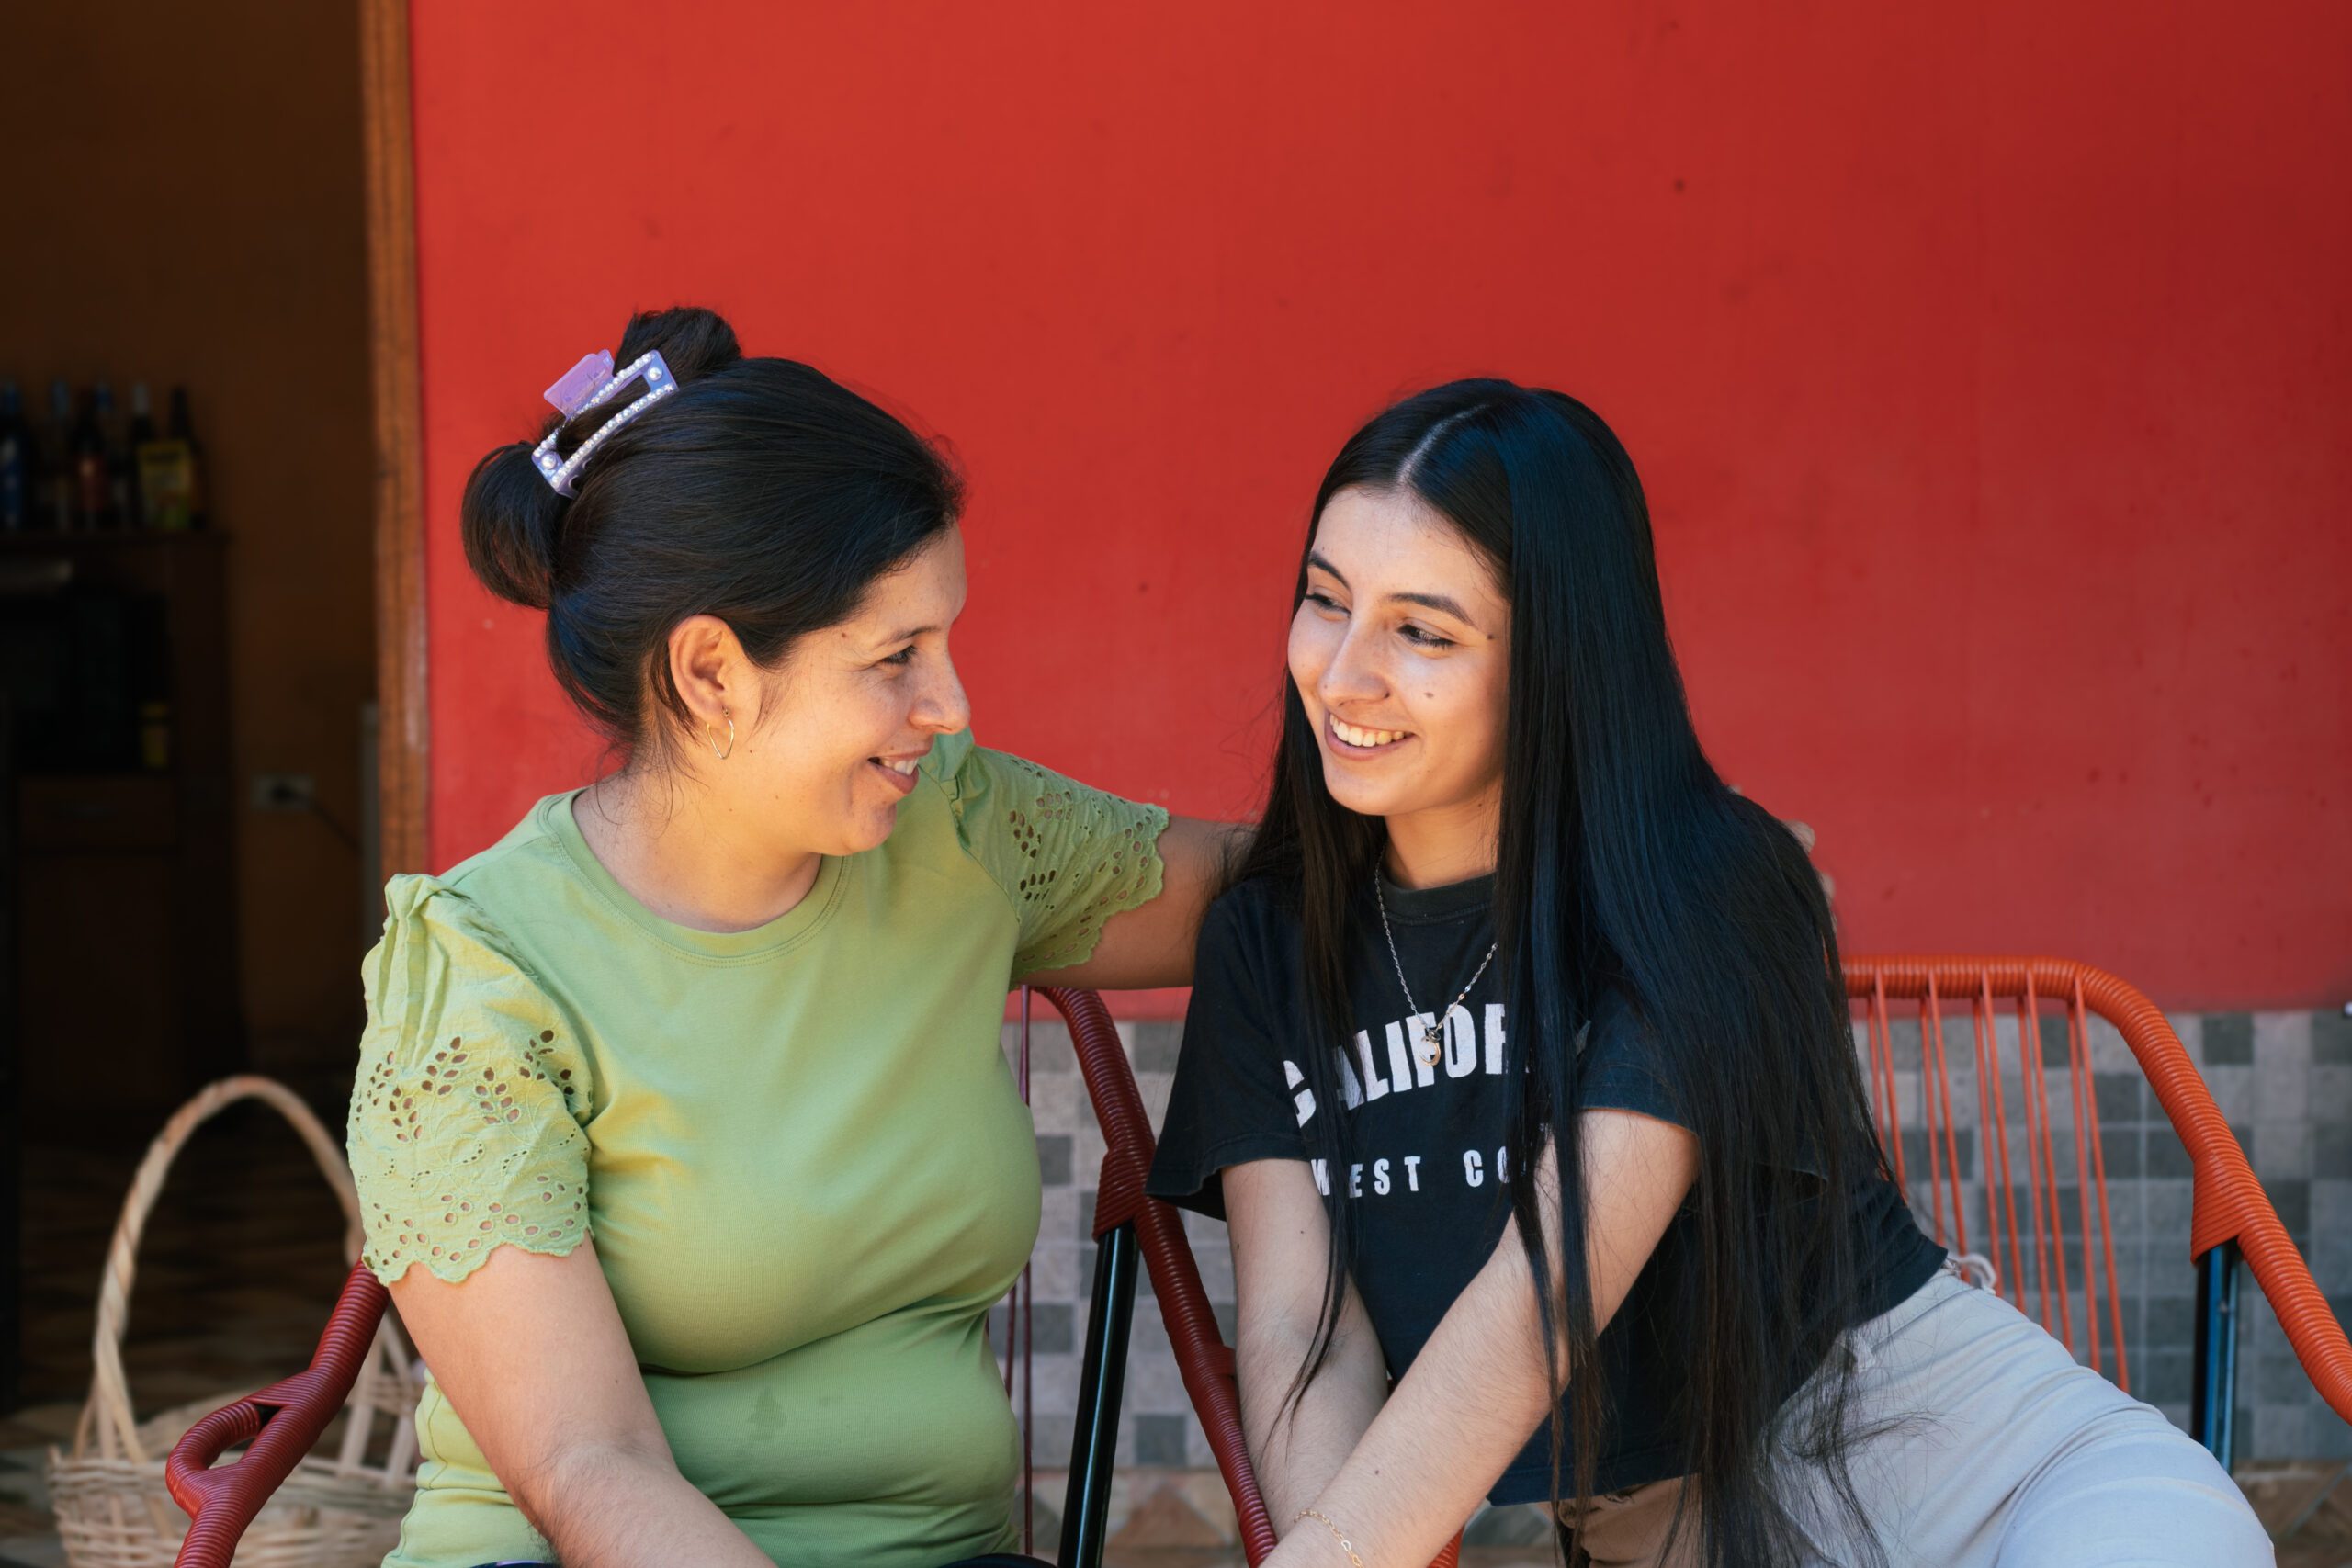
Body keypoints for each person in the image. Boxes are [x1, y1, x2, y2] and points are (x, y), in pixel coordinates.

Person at [1146, 380, 2272, 1567]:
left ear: (1557, 659)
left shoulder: (1707, 882)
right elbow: (1303, 1334)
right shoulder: (1269, 942)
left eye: (1422, 630)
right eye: (1326, 602)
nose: (1342, 674)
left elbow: (1551, 1294)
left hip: (1994, 1479)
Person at [346, 306, 1234, 1568]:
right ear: (711, 673)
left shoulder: (958, 830)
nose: (950, 703)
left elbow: (1263, 892)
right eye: (896, 655)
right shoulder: (488, 971)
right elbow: (583, 1468)